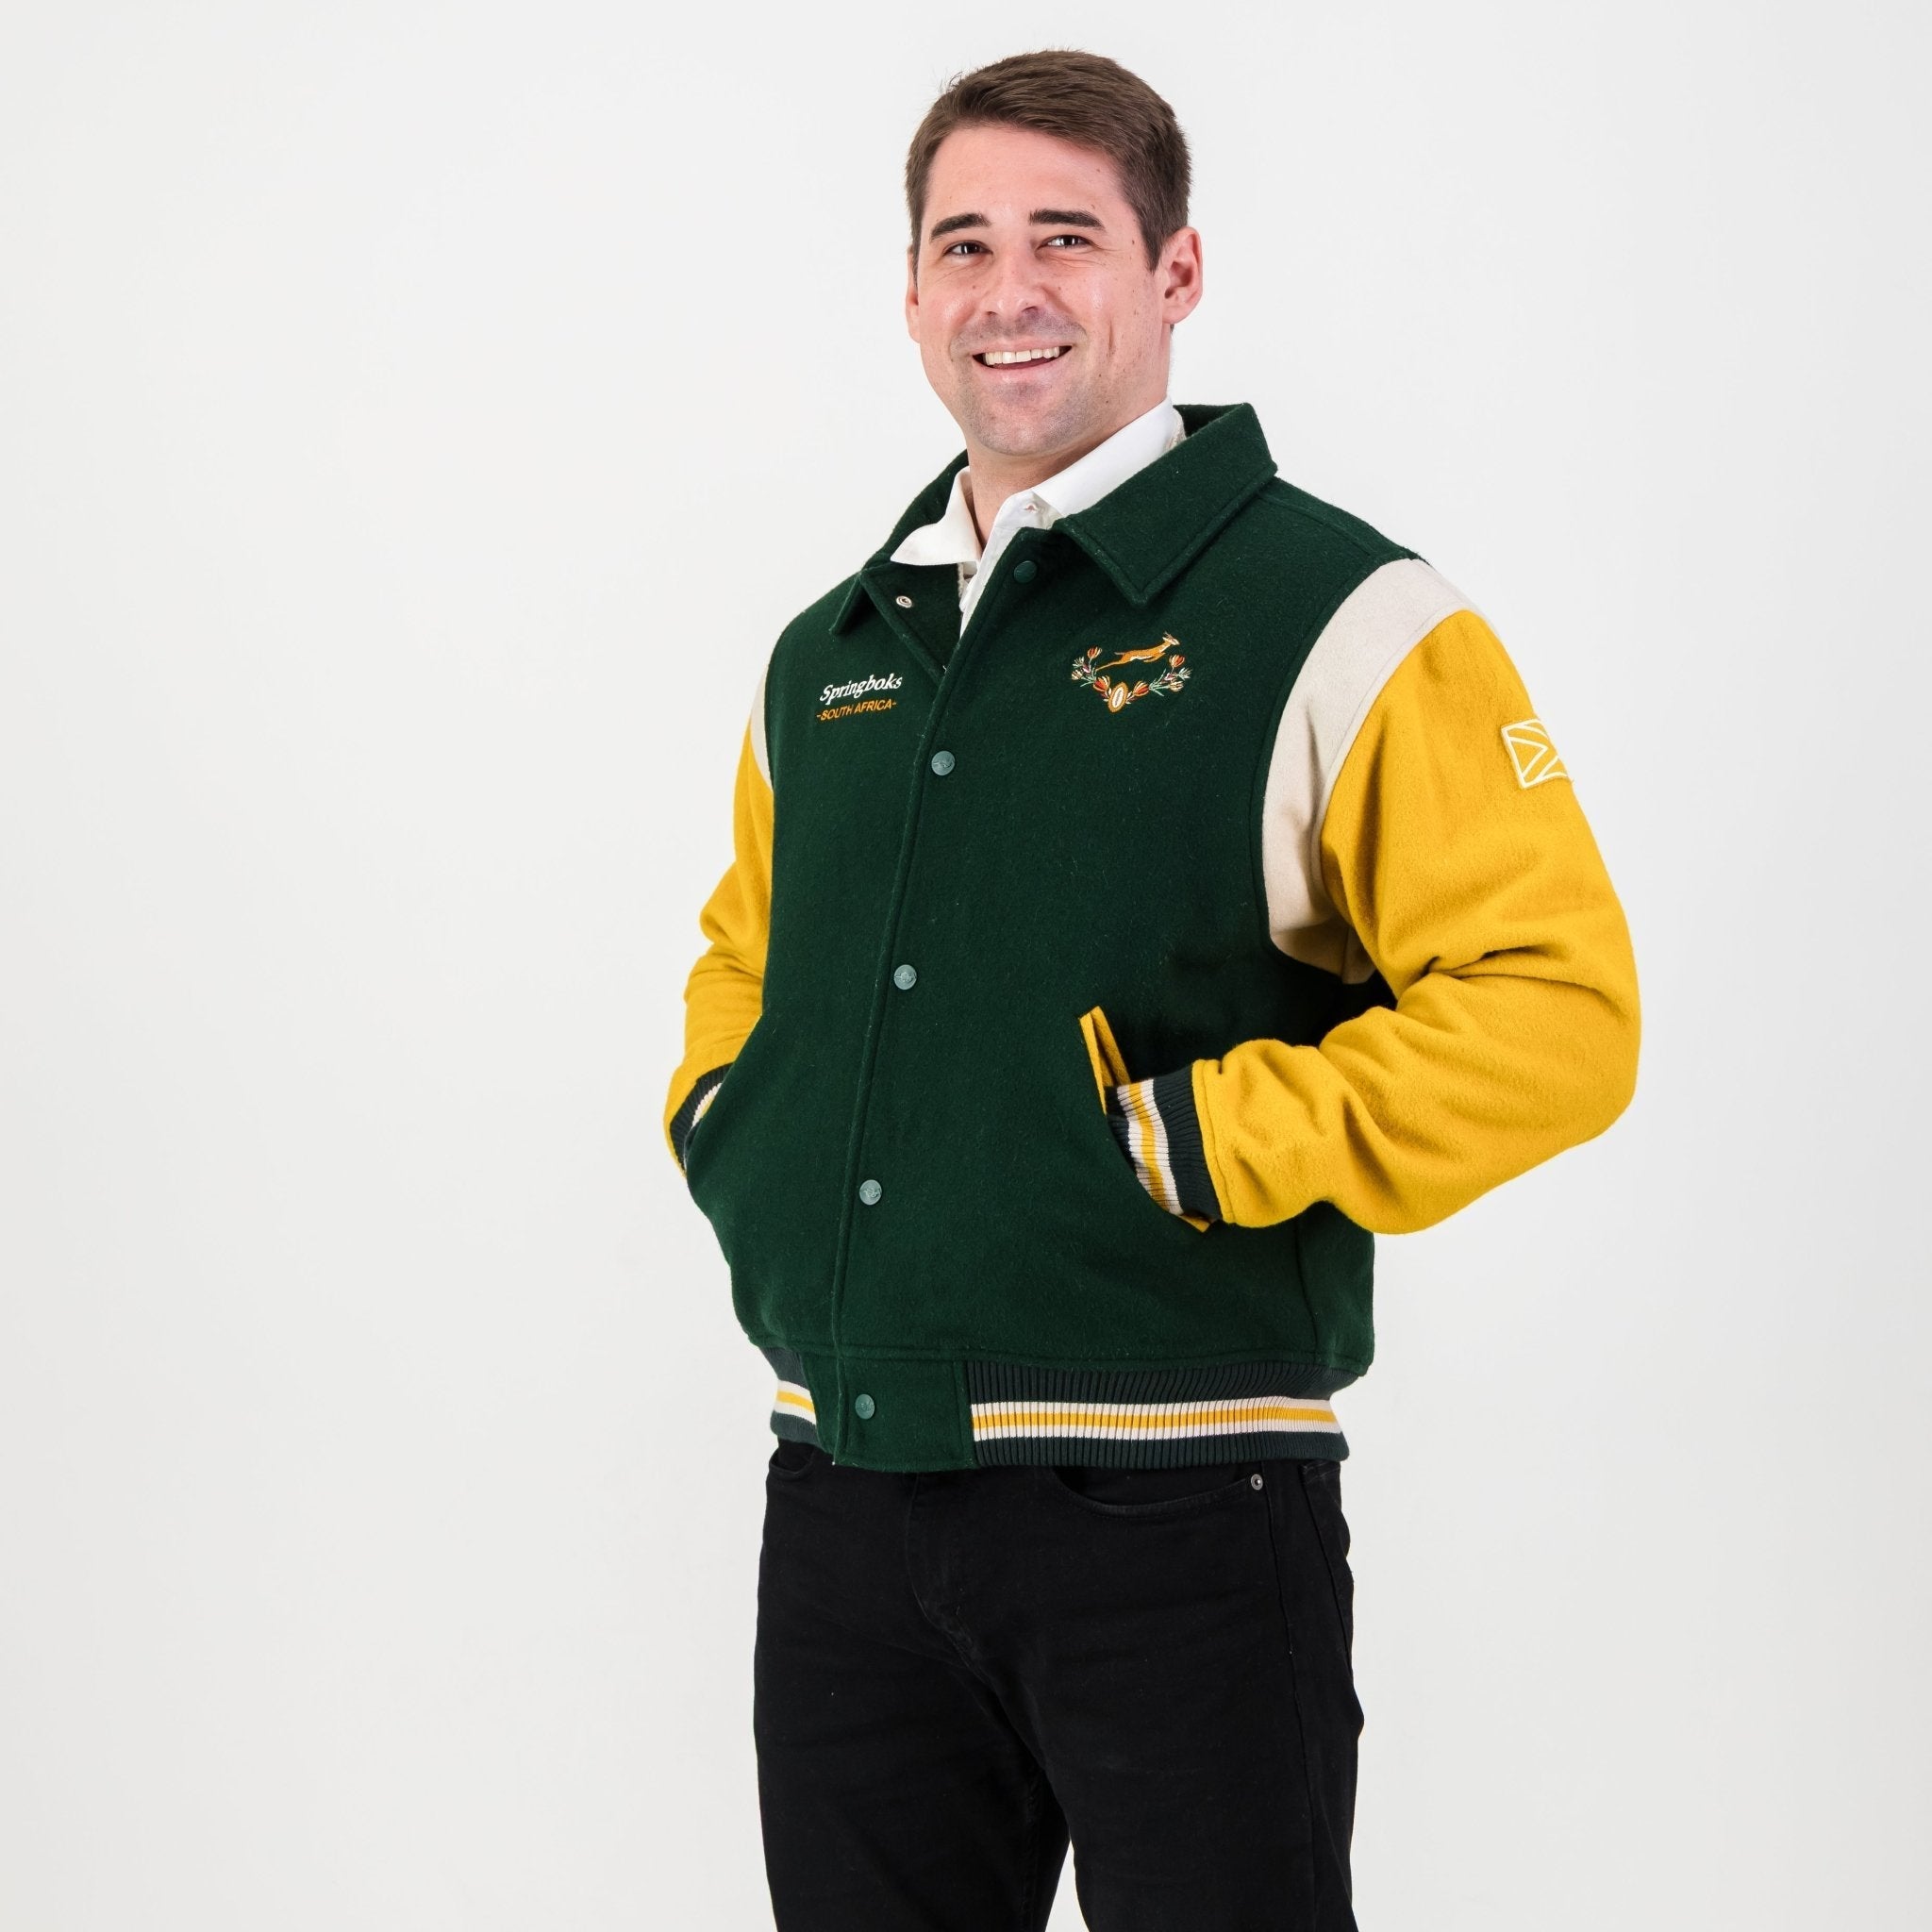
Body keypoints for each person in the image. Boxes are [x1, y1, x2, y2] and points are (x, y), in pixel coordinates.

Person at [663, 48, 1639, 1932]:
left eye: (1066, 237)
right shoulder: (832, 653)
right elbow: (744, 960)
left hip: (1180, 1512)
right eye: (964, 245)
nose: (1008, 290)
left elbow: (1557, 1008)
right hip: (845, 1491)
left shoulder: (1342, 616)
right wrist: (734, 1128)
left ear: (1173, 272)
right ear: (910, 292)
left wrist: (1212, 1139)